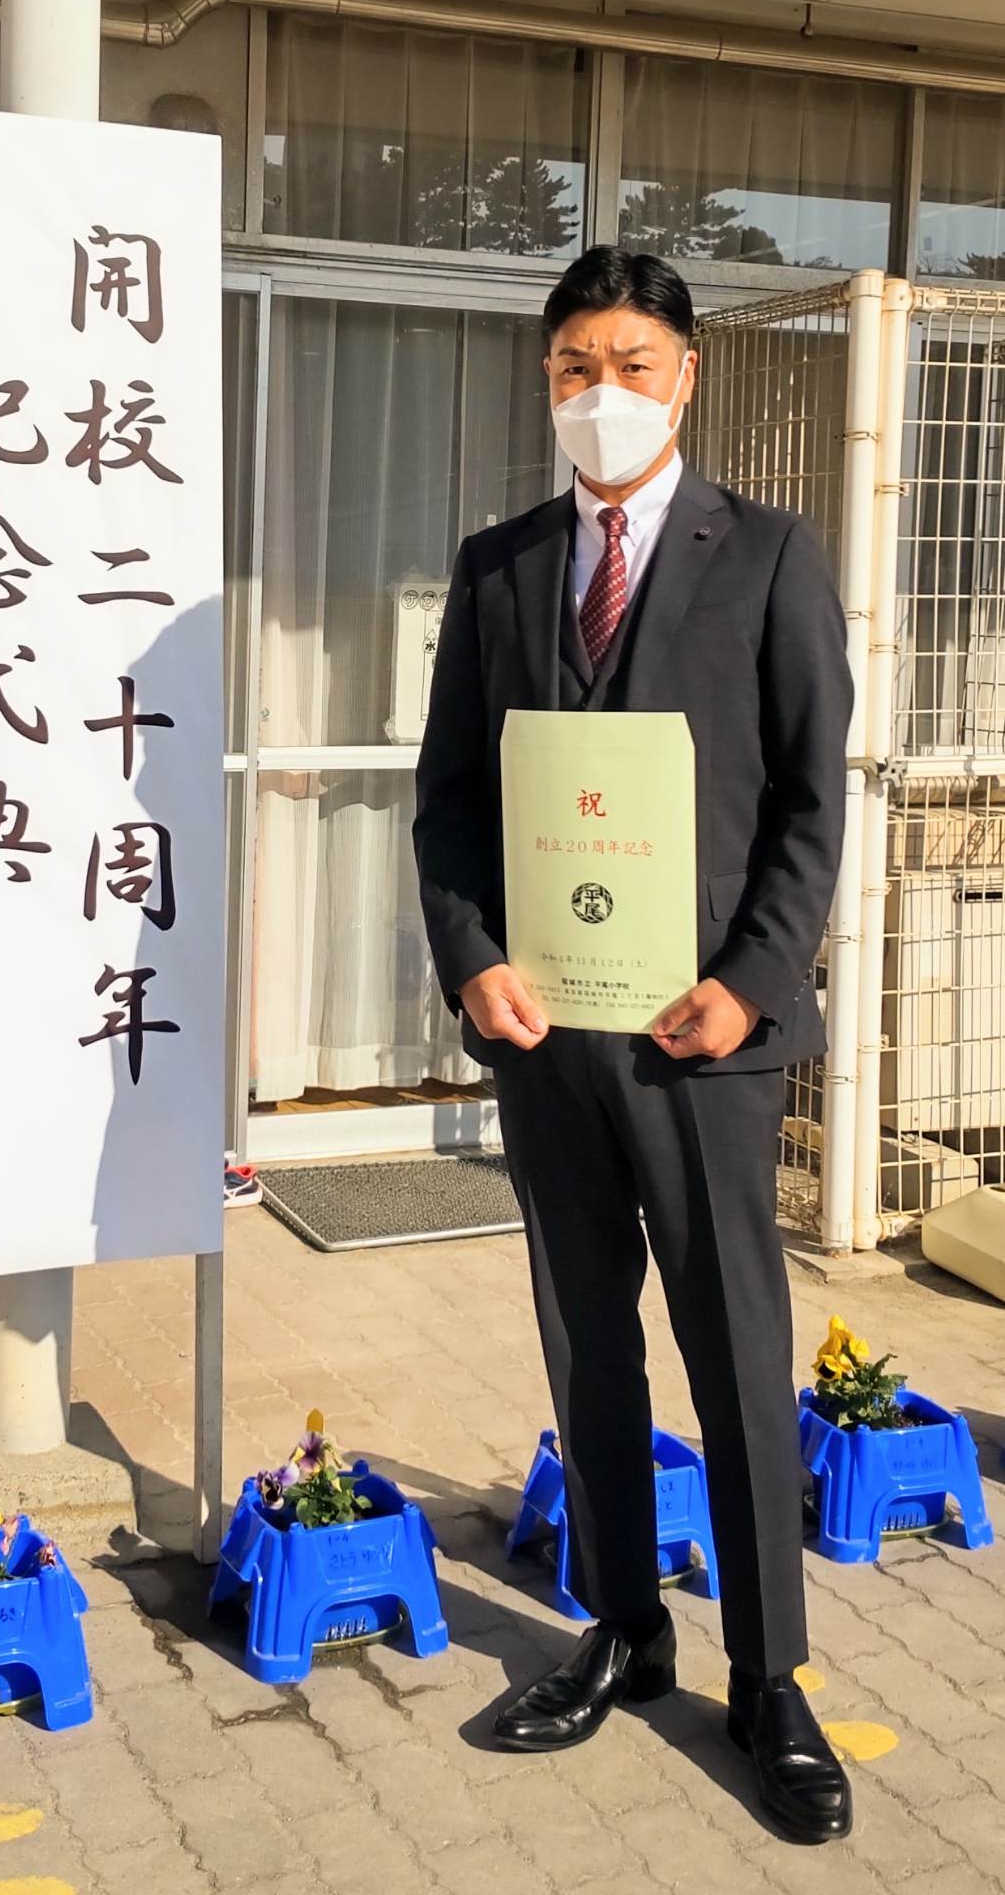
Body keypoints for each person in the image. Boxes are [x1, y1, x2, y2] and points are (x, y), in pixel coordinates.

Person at [413, 246, 854, 1844]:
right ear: (548, 384)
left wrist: (752, 979)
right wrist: (472, 962)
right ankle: (621, 1628)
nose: (601, 394)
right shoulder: (502, 567)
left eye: (631, 365)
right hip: (552, 1039)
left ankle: (770, 1677)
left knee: (734, 1349)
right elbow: (450, 798)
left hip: (701, 1041)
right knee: (586, 1336)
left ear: (687, 377)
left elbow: (811, 799)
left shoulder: (772, 556)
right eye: (573, 369)